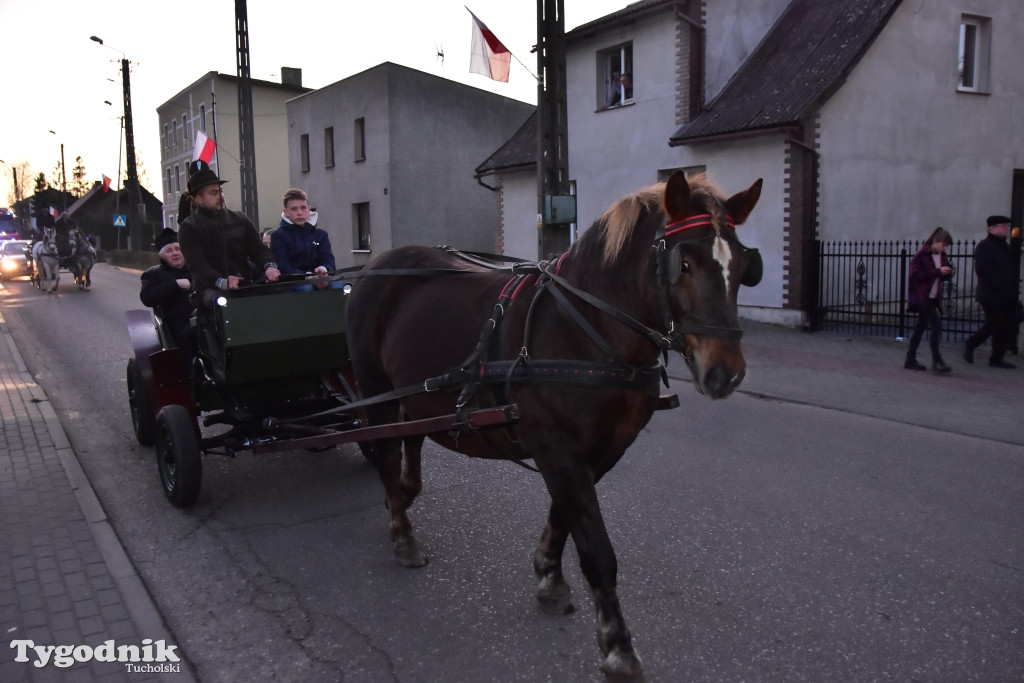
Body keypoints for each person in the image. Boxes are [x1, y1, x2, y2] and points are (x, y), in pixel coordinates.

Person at [177, 160, 280, 293]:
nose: (221, 196)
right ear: (198, 199)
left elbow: (258, 250)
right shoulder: (189, 228)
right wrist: (220, 281)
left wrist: (270, 266)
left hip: (244, 283)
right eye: (213, 193)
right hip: (210, 288)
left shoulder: (240, 219)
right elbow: (197, 265)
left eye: (221, 191)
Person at [963, 215, 1017, 369]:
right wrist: (998, 284)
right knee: (994, 322)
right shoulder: (984, 246)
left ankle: (996, 358)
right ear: (991, 228)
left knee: (1004, 325)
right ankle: (971, 343)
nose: (1006, 228)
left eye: (1007, 226)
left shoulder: (1004, 246)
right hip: (990, 294)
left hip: (1006, 294)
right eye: (1003, 226)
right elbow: (982, 269)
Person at [140, 227, 195, 359]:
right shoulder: (153, 274)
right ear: (161, 255)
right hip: (177, 323)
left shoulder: (196, 269)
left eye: (178, 249)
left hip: (205, 316)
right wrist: (175, 285)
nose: (175, 253)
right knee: (193, 333)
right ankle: (192, 373)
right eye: (169, 251)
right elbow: (147, 297)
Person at [904, 227, 954, 373]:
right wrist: (938, 271)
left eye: (946, 246)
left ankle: (910, 359)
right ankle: (937, 361)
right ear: (936, 241)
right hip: (922, 296)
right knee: (936, 326)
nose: (945, 249)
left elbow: (942, 274)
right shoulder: (921, 256)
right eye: (943, 245)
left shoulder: (941, 256)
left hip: (933, 296)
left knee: (920, 329)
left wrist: (947, 273)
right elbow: (915, 276)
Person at [270, 188, 336, 290]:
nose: (299, 212)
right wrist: (308, 276)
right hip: (292, 283)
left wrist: (323, 271)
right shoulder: (278, 236)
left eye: (303, 208)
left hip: (319, 278)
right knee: (306, 288)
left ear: (309, 210)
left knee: (340, 286)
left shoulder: (321, 234)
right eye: (294, 209)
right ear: (286, 212)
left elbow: (328, 259)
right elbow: (283, 266)